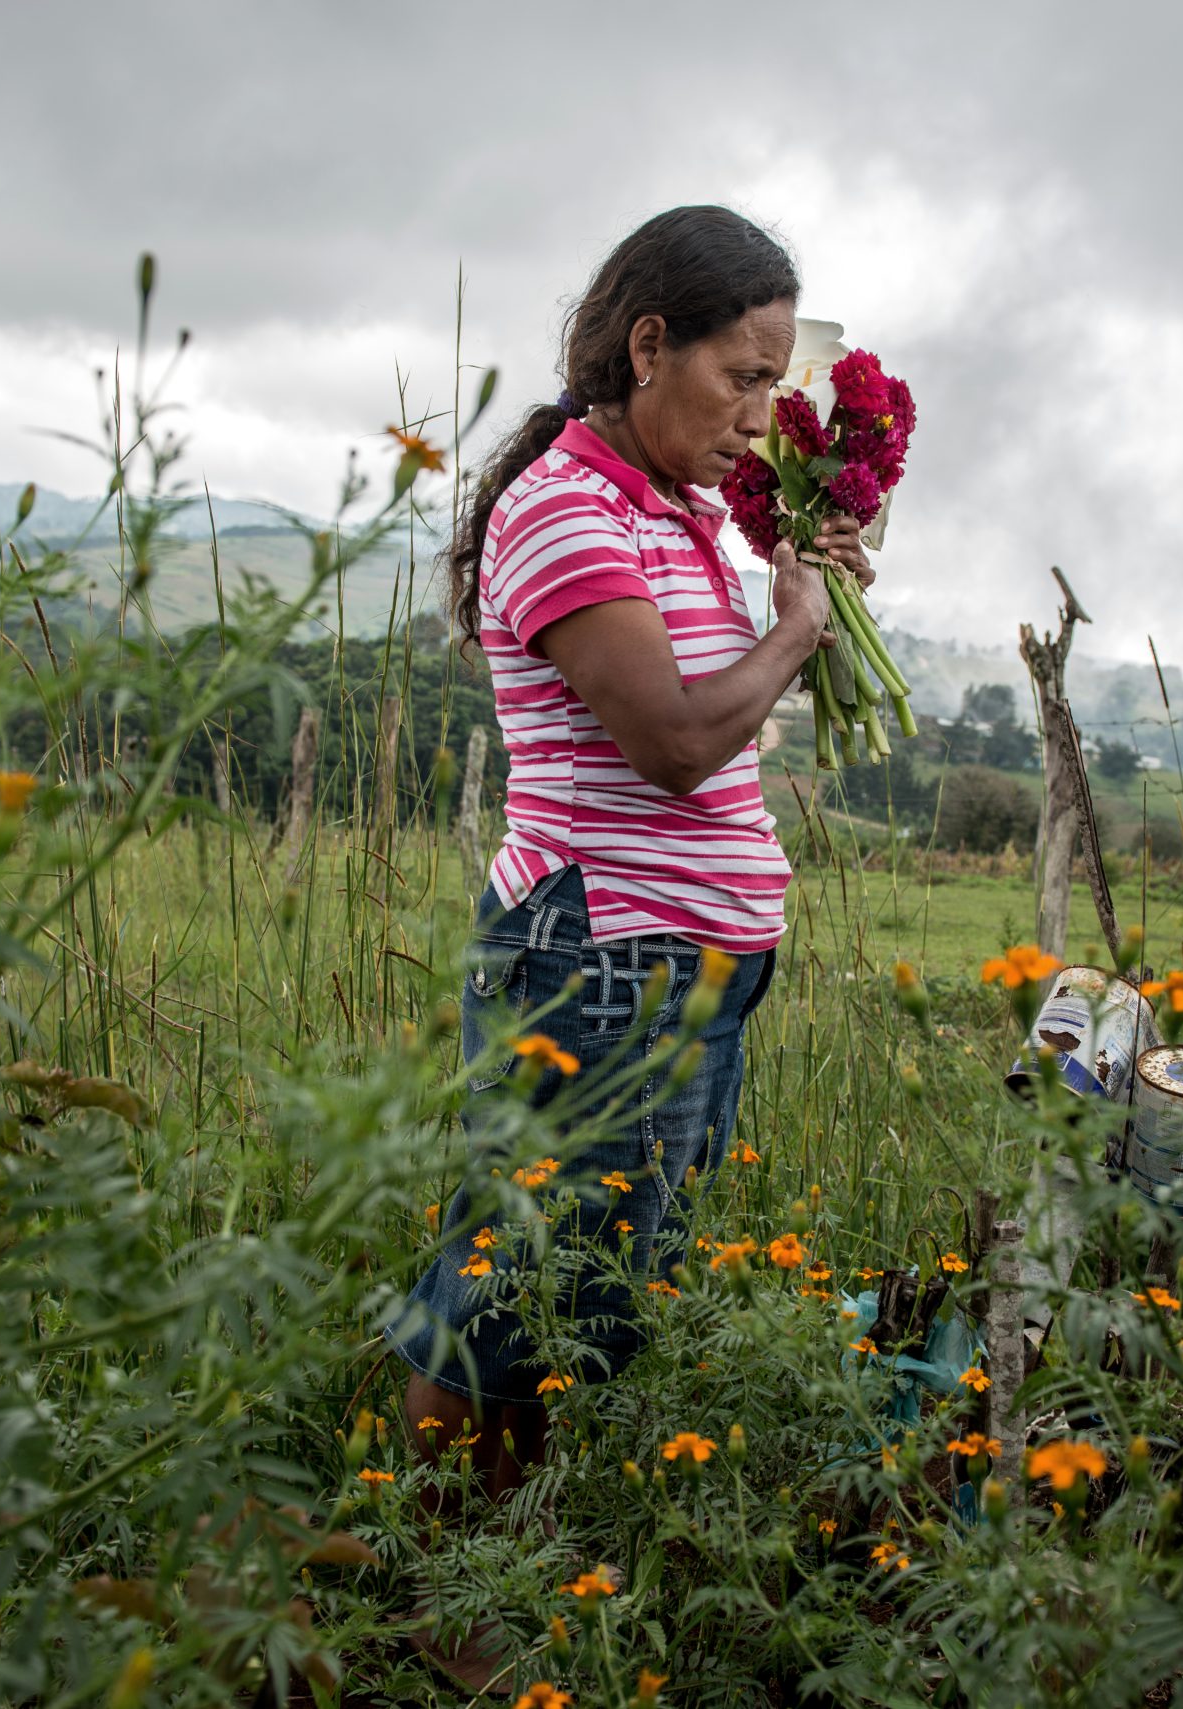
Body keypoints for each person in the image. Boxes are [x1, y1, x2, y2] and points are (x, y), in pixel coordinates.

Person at [389, 205, 873, 1504]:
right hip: (600, 960)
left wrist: (807, 578)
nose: (763, 413)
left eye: (776, 381)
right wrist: (795, 631)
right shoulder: (564, 510)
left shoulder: (686, 513)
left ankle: (499, 1554)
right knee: (515, 1273)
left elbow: (732, 686)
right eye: (744, 376)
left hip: (687, 969)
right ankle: (427, 1574)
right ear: (649, 344)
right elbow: (669, 742)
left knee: (589, 1281)